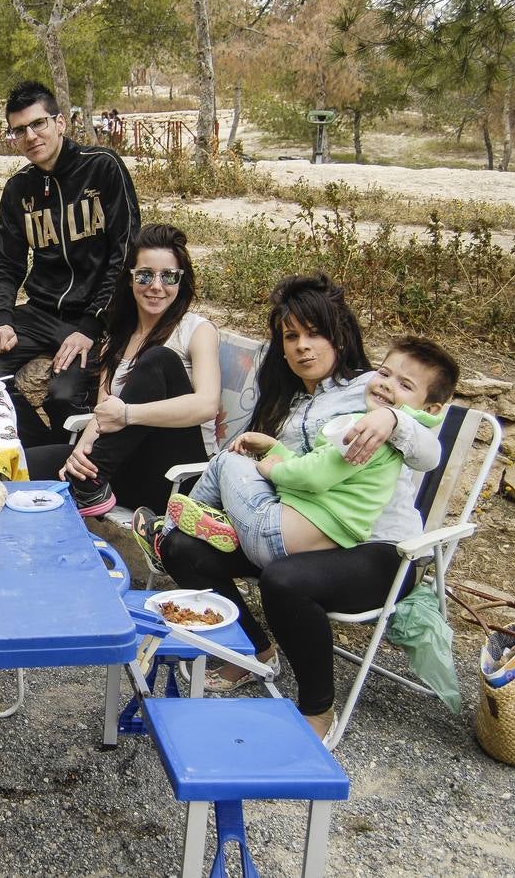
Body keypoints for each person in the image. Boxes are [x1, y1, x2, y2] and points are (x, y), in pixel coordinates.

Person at [146, 273, 444, 739]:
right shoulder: (293, 400)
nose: (303, 346)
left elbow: (429, 451)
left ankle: (318, 709)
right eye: (292, 336)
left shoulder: (376, 390)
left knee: (284, 580)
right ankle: (254, 652)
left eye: (315, 333)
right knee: (183, 549)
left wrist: (392, 419)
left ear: (339, 334)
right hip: (296, 529)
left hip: (377, 550)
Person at [157, 336, 457, 566]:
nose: (386, 385)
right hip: (302, 536)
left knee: (228, 461)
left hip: (279, 536)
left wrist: (272, 468)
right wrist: (275, 448)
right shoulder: (359, 419)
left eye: (404, 384)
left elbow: (314, 477)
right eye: (384, 373)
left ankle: (167, 531)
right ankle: (204, 522)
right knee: (237, 464)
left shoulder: (370, 427)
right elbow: (321, 464)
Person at [0, 81, 140, 449]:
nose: (31, 136)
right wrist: (1, 317)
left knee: (63, 396)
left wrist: (91, 324)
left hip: (96, 315)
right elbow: (5, 263)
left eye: (39, 124)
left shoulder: (102, 168)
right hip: (40, 311)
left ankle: (60, 461)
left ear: (61, 122)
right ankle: (38, 451)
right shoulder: (19, 189)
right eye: (20, 129)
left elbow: (126, 252)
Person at [25, 223, 220, 516]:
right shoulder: (117, 338)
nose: (156, 286)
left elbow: (207, 405)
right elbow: (105, 412)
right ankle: (86, 483)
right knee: (25, 465)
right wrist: (81, 453)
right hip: (124, 468)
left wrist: (128, 415)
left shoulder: (196, 330)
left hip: (180, 475)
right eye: (144, 275)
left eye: (168, 276)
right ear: (129, 279)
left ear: (181, 280)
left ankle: (88, 485)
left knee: (159, 359)